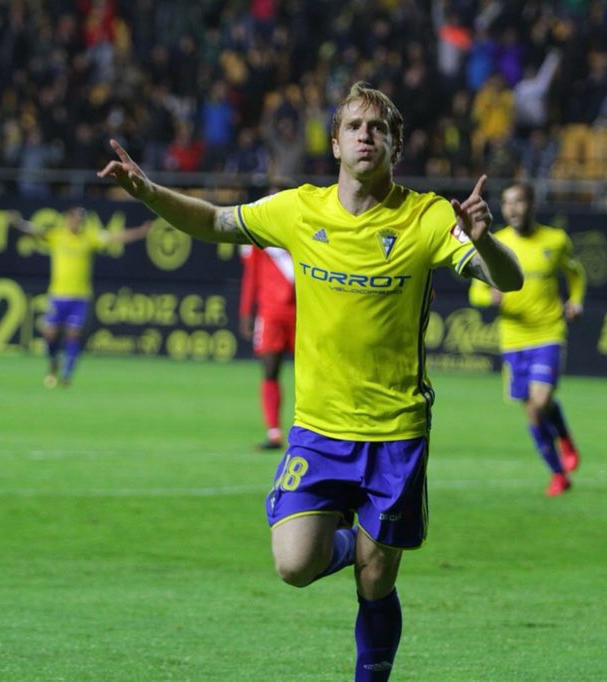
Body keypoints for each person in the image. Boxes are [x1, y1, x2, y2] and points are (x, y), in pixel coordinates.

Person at [98, 82, 523, 681]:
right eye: (355, 126)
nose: (366, 136)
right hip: (319, 431)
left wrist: (484, 240)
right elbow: (217, 221)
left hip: (394, 432)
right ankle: (349, 542)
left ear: (395, 146)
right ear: (335, 144)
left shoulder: (427, 217)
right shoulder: (300, 210)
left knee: (377, 583)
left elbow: (507, 279)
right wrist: (147, 192)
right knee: (295, 565)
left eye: (378, 129)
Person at [469, 182, 586, 497]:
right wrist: (489, 298)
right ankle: (558, 473)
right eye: (507, 203)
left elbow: (575, 273)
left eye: (518, 201)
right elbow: (476, 291)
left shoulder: (556, 240)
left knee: (542, 399)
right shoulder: (496, 243)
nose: (512, 209)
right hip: (513, 338)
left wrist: (576, 301)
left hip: (548, 332)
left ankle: (564, 437)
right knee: (533, 411)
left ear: (532, 204)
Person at [9, 207, 150, 387]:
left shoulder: (89, 238)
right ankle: (54, 362)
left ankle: (67, 374)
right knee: (49, 335)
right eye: (75, 219)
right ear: (68, 219)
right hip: (58, 295)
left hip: (79, 297)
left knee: (73, 335)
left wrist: (140, 232)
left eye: (80, 220)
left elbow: (115, 237)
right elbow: (34, 231)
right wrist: (18, 223)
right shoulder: (57, 236)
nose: (78, 223)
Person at [239, 239, 296, 450]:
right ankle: (274, 433)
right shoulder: (257, 229)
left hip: (304, 311)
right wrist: (246, 312)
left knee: (312, 372)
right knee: (270, 370)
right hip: (270, 314)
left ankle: (319, 432)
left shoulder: (302, 218)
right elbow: (251, 274)